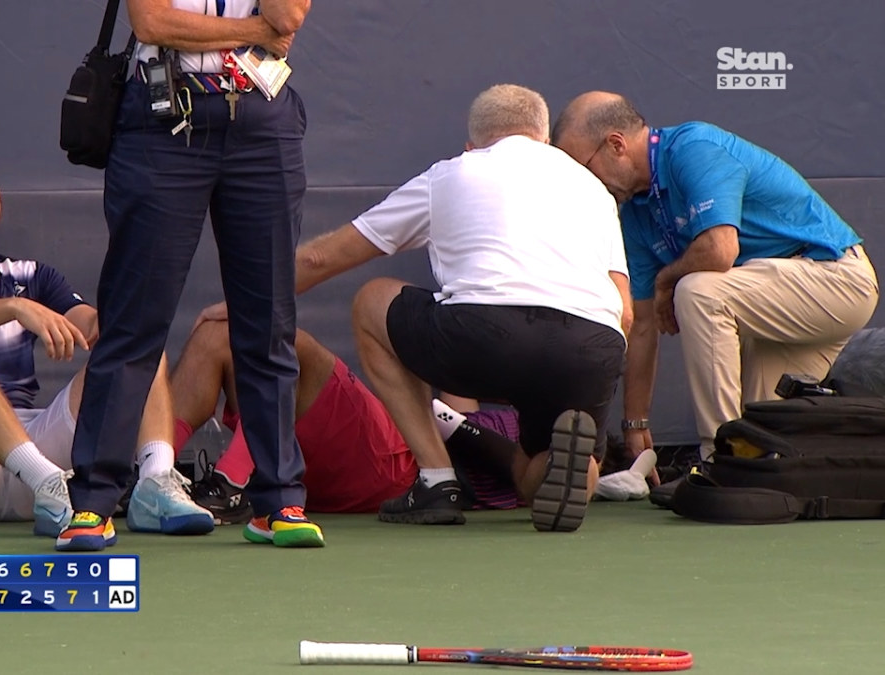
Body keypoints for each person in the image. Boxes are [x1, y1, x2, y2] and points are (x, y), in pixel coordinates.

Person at [198, 84, 631, 532]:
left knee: (372, 300)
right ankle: (577, 468)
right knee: (533, 472)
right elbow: (626, 311)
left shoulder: (453, 173)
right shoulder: (593, 189)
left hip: (486, 336)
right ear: (544, 140)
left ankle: (436, 479)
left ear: (471, 145)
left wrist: (245, 304)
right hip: (592, 346)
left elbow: (321, 258)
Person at [62, 0, 323, 550]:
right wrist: (251, 30)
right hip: (162, 120)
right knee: (135, 319)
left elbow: (289, 18)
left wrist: (252, 29)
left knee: (267, 321)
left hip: (260, 121)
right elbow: (153, 23)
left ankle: (279, 501)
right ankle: (92, 503)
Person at [0, 137, 212, 547]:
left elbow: (97, 327)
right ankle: (46, 480)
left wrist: (131, 304)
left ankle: (154, 483)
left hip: (35, 450)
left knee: (135, 341)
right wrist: (12, 307)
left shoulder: (33, 275)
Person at [551, 92, 879, 463]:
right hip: (785, 299)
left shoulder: (694, 147)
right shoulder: (635, 214)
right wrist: (635, 424)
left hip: (837, 278)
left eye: (583, 168)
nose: (584, 184)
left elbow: (721, 250)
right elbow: (641, 327)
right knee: (761, 433)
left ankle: (716, 456)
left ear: (615, 145)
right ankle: (746, 470)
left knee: (698, 291)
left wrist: (666, 281)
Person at [172, 317, 524, 526]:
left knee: (288, 343)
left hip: (397, 471)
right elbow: (455, 384)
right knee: (217, 336)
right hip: (324, 465)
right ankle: (153, 479)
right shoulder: (490, 398)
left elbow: (567, 474)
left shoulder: (548, 437)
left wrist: (458, 426)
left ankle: (230, 484)